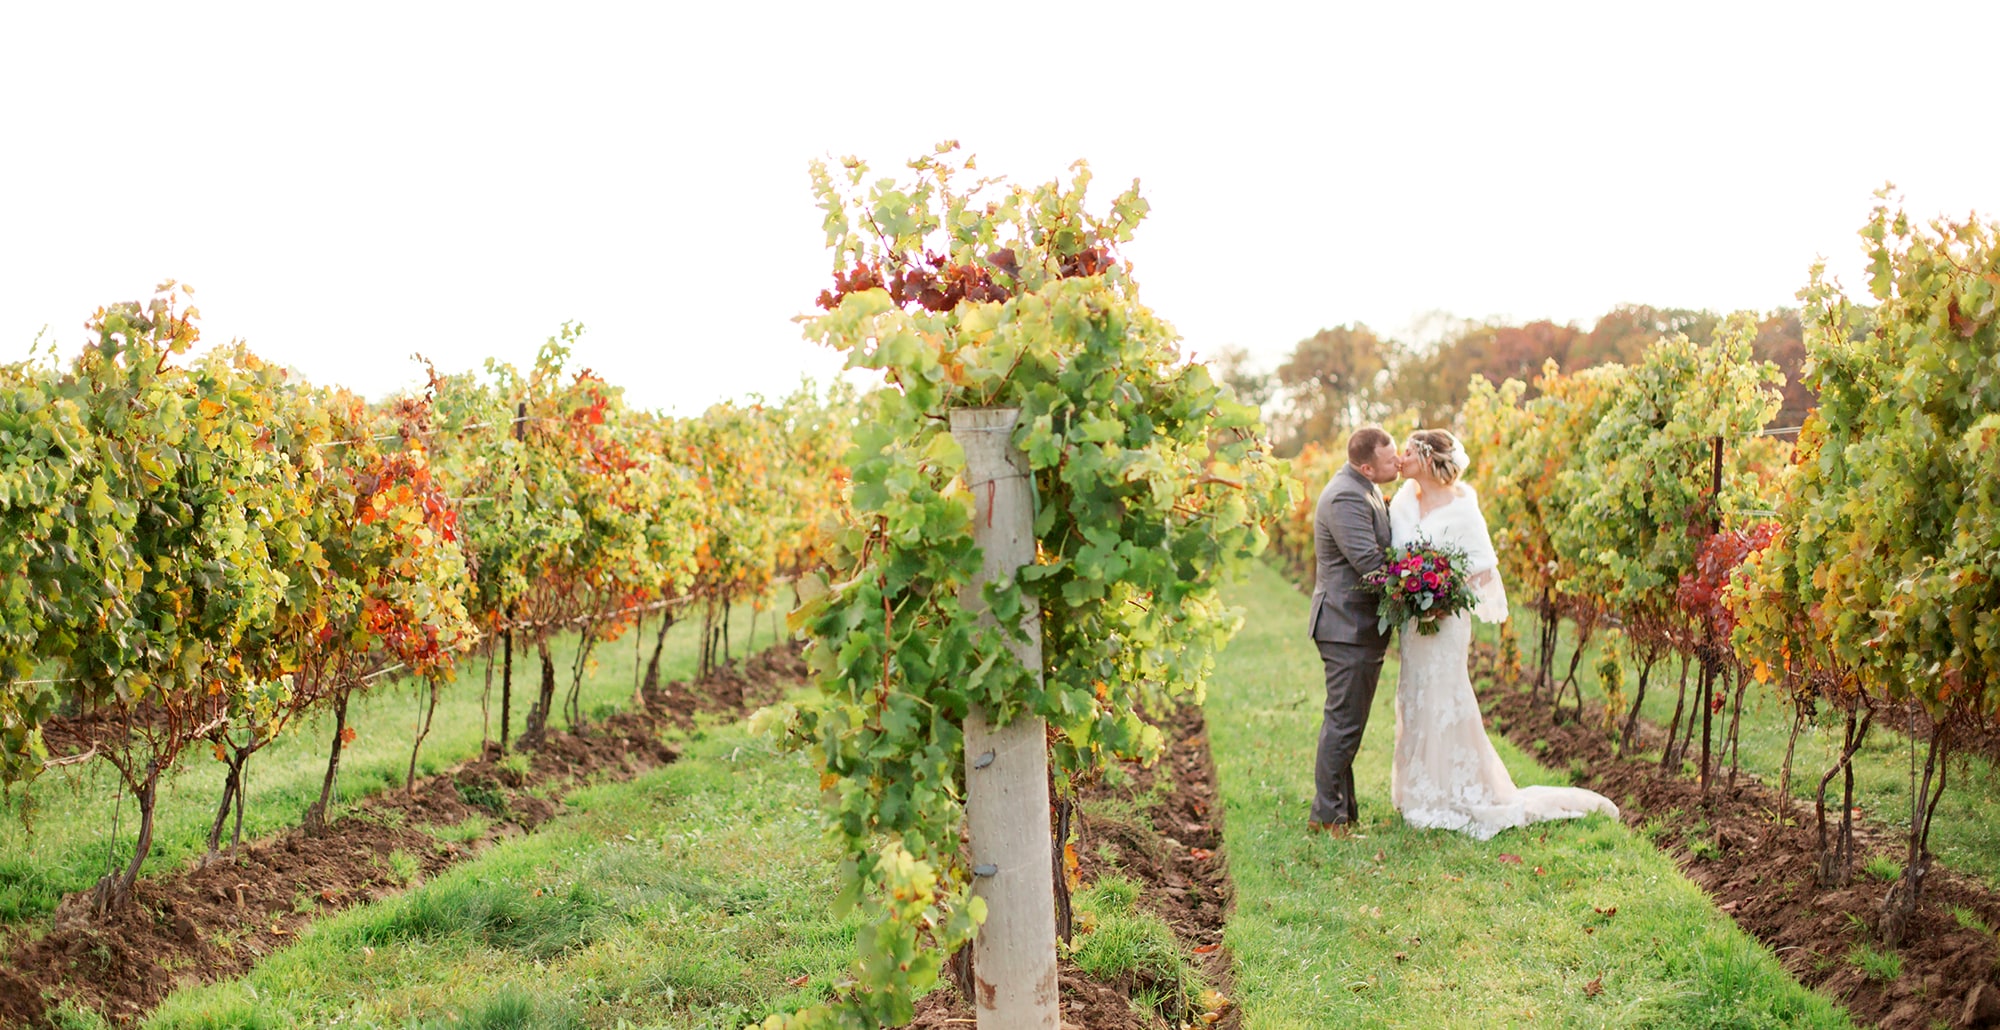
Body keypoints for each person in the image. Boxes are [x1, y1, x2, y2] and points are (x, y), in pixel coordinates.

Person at [1387, 428, 1619, 839]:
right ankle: (1418, 792)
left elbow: (1482, 566)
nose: (1401, 458)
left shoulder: (1463, 508)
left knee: (1446, 695)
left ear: (1427, 459)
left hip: (1445, 621)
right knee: (1415, 695)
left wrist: (1443, 592)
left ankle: (1455, 792)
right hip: (1412, 624)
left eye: (1407, 452)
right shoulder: (1403, 503)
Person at [1306, 425, 1401, 836]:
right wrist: (1419, 587)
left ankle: (1341, 812)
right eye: (1389, 458)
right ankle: (1327, 817)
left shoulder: (1363, 487)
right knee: (1343, 725)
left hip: (1353, 626)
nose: (1397, 461)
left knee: (1348, 724)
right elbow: (1369, 563)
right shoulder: (1346, 495)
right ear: (1366, 465)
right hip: (1346, 626)